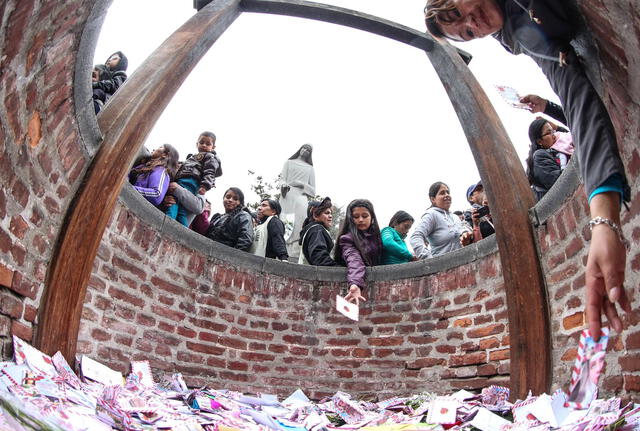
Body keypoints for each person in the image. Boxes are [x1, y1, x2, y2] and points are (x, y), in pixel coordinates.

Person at [424, 0, 632, 339]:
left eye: (459, 9)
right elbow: (576, 95)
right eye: (466, 32)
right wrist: (603, 221)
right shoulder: (523, 36)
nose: (472, 21)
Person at [166, 131, 222, 226]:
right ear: (197, 144)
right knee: (181, 211)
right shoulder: (191, 157)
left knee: (173, 204)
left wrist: (205, 185)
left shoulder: (210, 157)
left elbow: (210, 171)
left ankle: (166, 224)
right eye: (201, 142)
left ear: (213, 147)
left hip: (191, 183)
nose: (204, 145)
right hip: (181, 181)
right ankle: (181, 231)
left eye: (208, 144)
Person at [334, 199, 382, 305]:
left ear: (372, 217)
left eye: (365, 216)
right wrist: (355, 283)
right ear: (351, 219)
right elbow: (354, 260)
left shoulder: (377, 237)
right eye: (356, 217)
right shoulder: (347, 239)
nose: (360, 220)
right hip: (357, 284)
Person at [410, 182, 473, 259]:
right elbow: (415, 237)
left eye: (448, 192)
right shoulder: (431, 214)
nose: (447, 195)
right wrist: (429, 260)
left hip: (463, 264)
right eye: (442, 193)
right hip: (443, 268)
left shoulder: (455, 217)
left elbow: (465, 229)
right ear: (433, 199)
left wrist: (465, 234)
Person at [279, 144, 316, 254]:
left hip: (301, 198)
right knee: (285, 222)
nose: (305, 151)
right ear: (300, 149)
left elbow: (313, 191)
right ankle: (282, 250)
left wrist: (301, 184)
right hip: (287, 196)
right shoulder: (289, 163)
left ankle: (295, 252)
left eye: (308, 150)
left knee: (299, 225)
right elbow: (282, 179)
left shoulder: (310, 168)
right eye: (304, 148)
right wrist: (284, 186)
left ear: (310, 154)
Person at [526, 118, 572, 201]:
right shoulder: (540, 156)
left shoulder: (557, 150)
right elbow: (559, 183)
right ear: (540, 141)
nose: (554, 135)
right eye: (548, 133)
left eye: (553, 131)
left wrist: (557, 127)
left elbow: (569, 138)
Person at [298, 197, 337, 266]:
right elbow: (320, 258)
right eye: (327, 213)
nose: (330, 216)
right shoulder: (316, 230)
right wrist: (338, 268)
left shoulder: (313, 230)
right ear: (315, 215)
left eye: (331, 213)